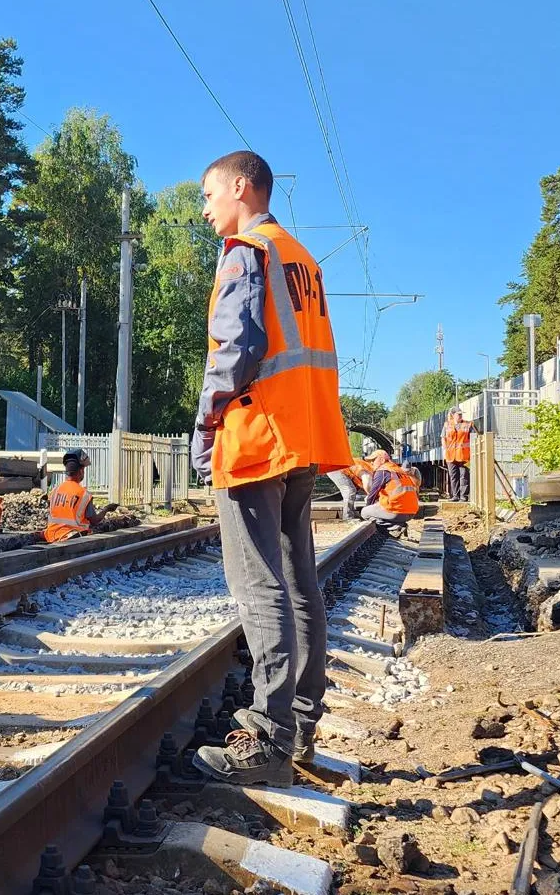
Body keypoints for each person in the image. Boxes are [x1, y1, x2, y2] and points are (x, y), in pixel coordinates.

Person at [191, 149, 350, 787]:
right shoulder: (302, 259)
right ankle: (303, 725)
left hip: (256, 435)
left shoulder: (247, 253)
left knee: (259, 585)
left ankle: (266, 740)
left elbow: (237, 350)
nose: (205, 210)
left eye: (208, 196)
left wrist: (206, 424)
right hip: (303, 433)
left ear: (240, 187)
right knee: (298, 580)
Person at [42, 449, 100, 543]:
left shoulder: (55, 491)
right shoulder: (84, 494)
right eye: (83, 470)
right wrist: (106, 509)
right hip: (72, 538)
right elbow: (94, 520)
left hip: (51, 536)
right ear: (81, 471)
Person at [359, 448, 420, 533]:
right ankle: (398, 524)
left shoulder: (383, 471)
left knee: (365, 512)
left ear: (382, 459)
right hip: (412, 512)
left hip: (397, 511)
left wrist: (368, 506)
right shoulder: (398, 470)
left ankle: (394, 527)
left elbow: (373, 494)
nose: (371, 463)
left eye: (373, 460)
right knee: (378, 506)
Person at [442, 410, 473, 502]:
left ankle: (463, 497)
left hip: (464, 456)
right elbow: (443, 438)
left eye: (461, 414)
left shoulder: (468, 425)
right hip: (450, 456)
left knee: (464, 476)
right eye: (458, 414)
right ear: (453, 415)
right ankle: (455, 496)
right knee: (453, 476)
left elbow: (474, 437)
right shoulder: (447, 425)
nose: (460, 416)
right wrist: (445, 449)